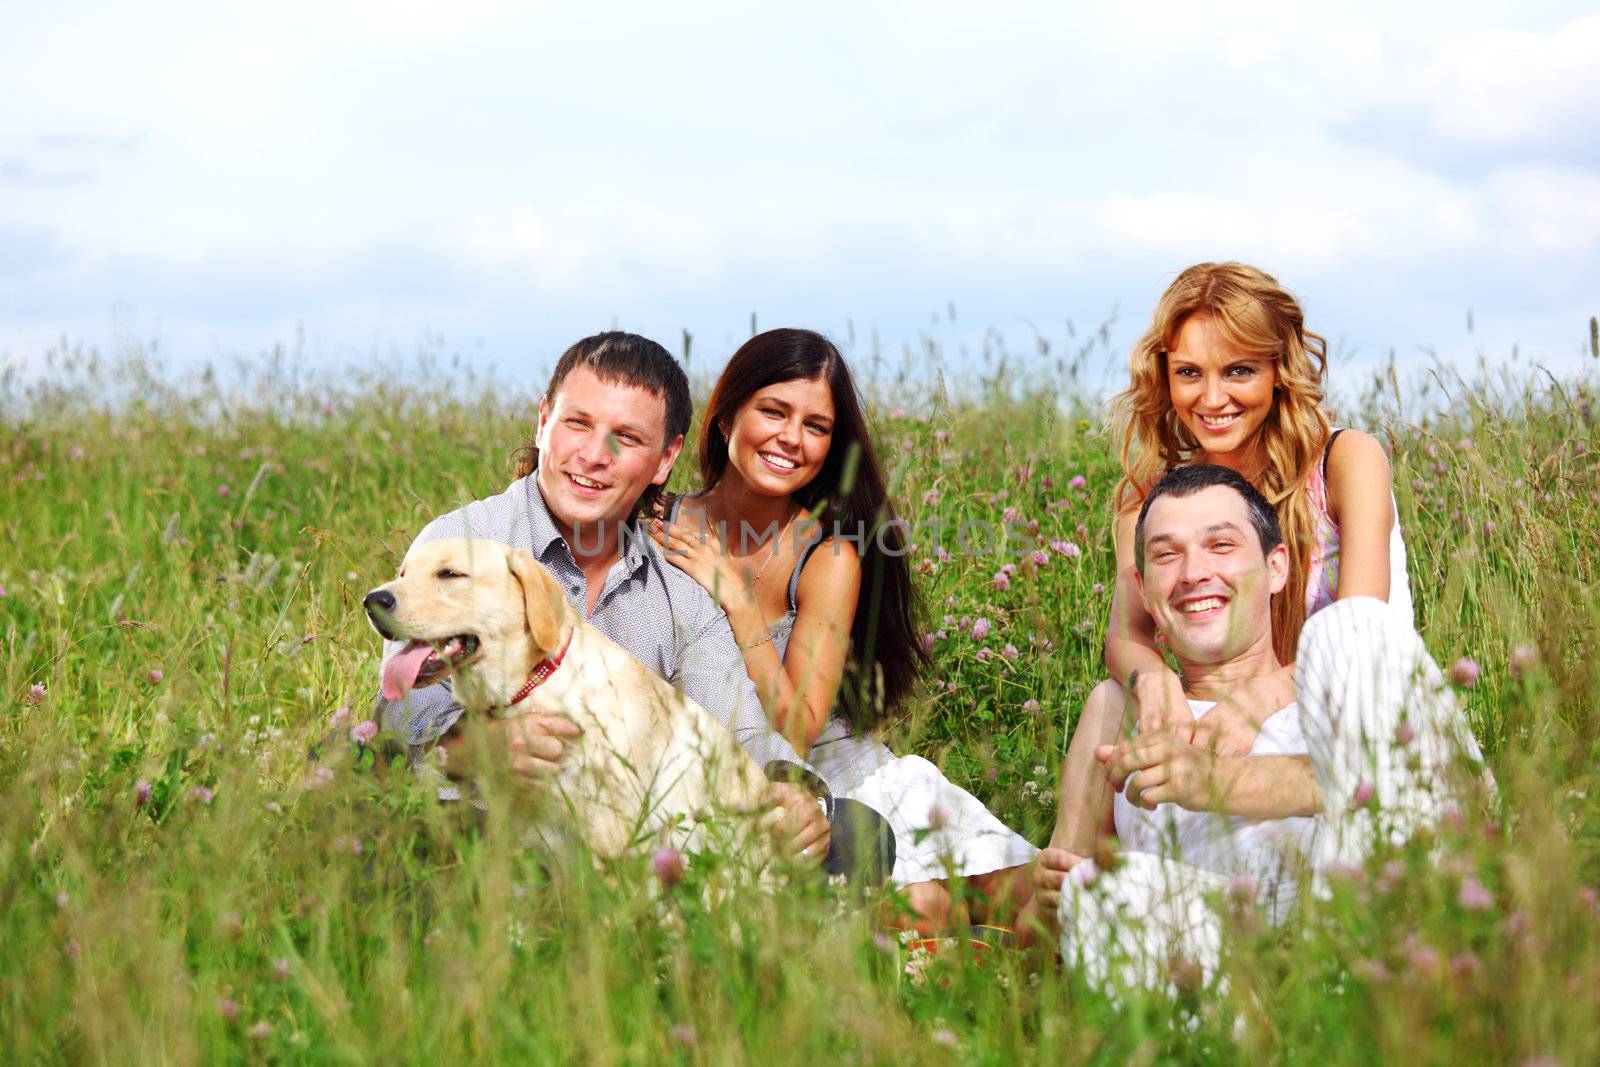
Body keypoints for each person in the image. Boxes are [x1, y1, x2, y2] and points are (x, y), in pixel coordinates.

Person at [373, 331, 888, 875]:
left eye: (627, 437)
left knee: (857, 838)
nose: (595, 456)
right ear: (543, 420)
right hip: (479, 825)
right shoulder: (464, 540)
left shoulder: (677, 577)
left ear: (665, 458)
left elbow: (737, 720)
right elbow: (402, 709)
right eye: (577, 423)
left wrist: (787, 788)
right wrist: (475, 746)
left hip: (632, 842)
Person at [1018, 465, 1485, 985]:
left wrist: (1214, 783)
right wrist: (1047, 902)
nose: (1193, 572)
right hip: (1200, 971)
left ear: (1277, 567)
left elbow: (1432, 801)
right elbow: (1039, 951)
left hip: (1347, 954)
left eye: (1221, 545)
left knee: (1354, 632)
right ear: (1144, 591)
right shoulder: (1118, 711)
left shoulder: (1333, 684)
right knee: (1099, 891)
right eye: (1167, 555)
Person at [649, 327, 1036, 930]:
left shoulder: (828, 558)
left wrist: (738, 602)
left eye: (816, 426)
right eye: (773, 412)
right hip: (723, 788)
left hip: (833, 775)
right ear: (726, 419)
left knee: (1030, 898)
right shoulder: (655, 521)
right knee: (913, 912)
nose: (791, 439)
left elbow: (796, 733)